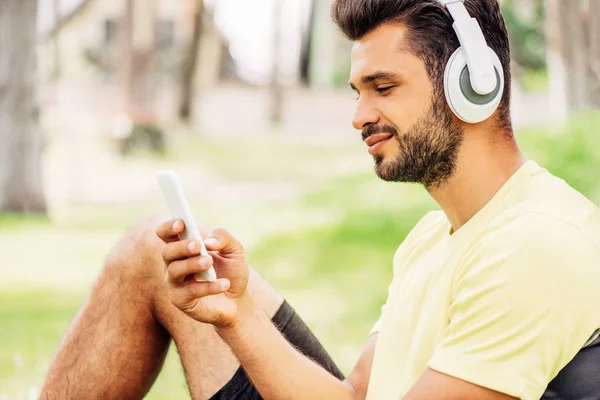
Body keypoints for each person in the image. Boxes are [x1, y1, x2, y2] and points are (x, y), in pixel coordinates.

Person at [41, 0, 600, 399]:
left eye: (384, 88)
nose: (358, 117)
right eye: (357, 92)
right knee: (150, 248)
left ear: (474, 85)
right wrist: (235, 314)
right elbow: (355, 394)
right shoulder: (434, 237)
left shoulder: (536, 244)